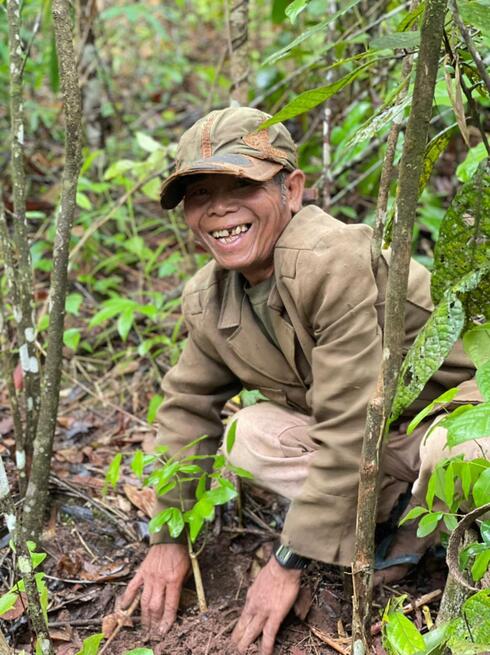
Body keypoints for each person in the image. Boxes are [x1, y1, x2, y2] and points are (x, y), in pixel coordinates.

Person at [121, 107, 484, 654]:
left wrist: (288, 559)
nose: (219, 208)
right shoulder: (208, 294)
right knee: (248, 433)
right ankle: (394, 514)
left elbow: (348, 420)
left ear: (292, 189)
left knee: (463, 455)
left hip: (449, 415)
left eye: (240, 185)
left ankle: (436, 534)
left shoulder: (330, 258)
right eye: (199, 195)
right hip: (378, 443)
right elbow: (187, 405)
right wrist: (167, 536)